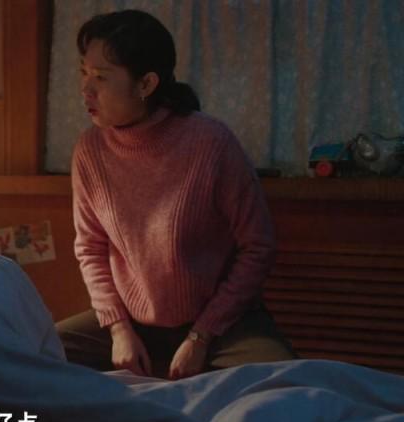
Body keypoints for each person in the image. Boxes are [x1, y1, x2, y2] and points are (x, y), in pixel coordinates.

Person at [56, 9, 295, 381]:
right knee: (36, 355)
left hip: (222, 324)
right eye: (83, 72)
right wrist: (118, 329)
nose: (86, 89)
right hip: (133, 322)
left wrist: (201, 336)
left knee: (285, 385)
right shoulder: (90, 150)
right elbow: (90, 248)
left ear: (146, 84)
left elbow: (258, 246)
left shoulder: (210, 142)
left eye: (101, 77)